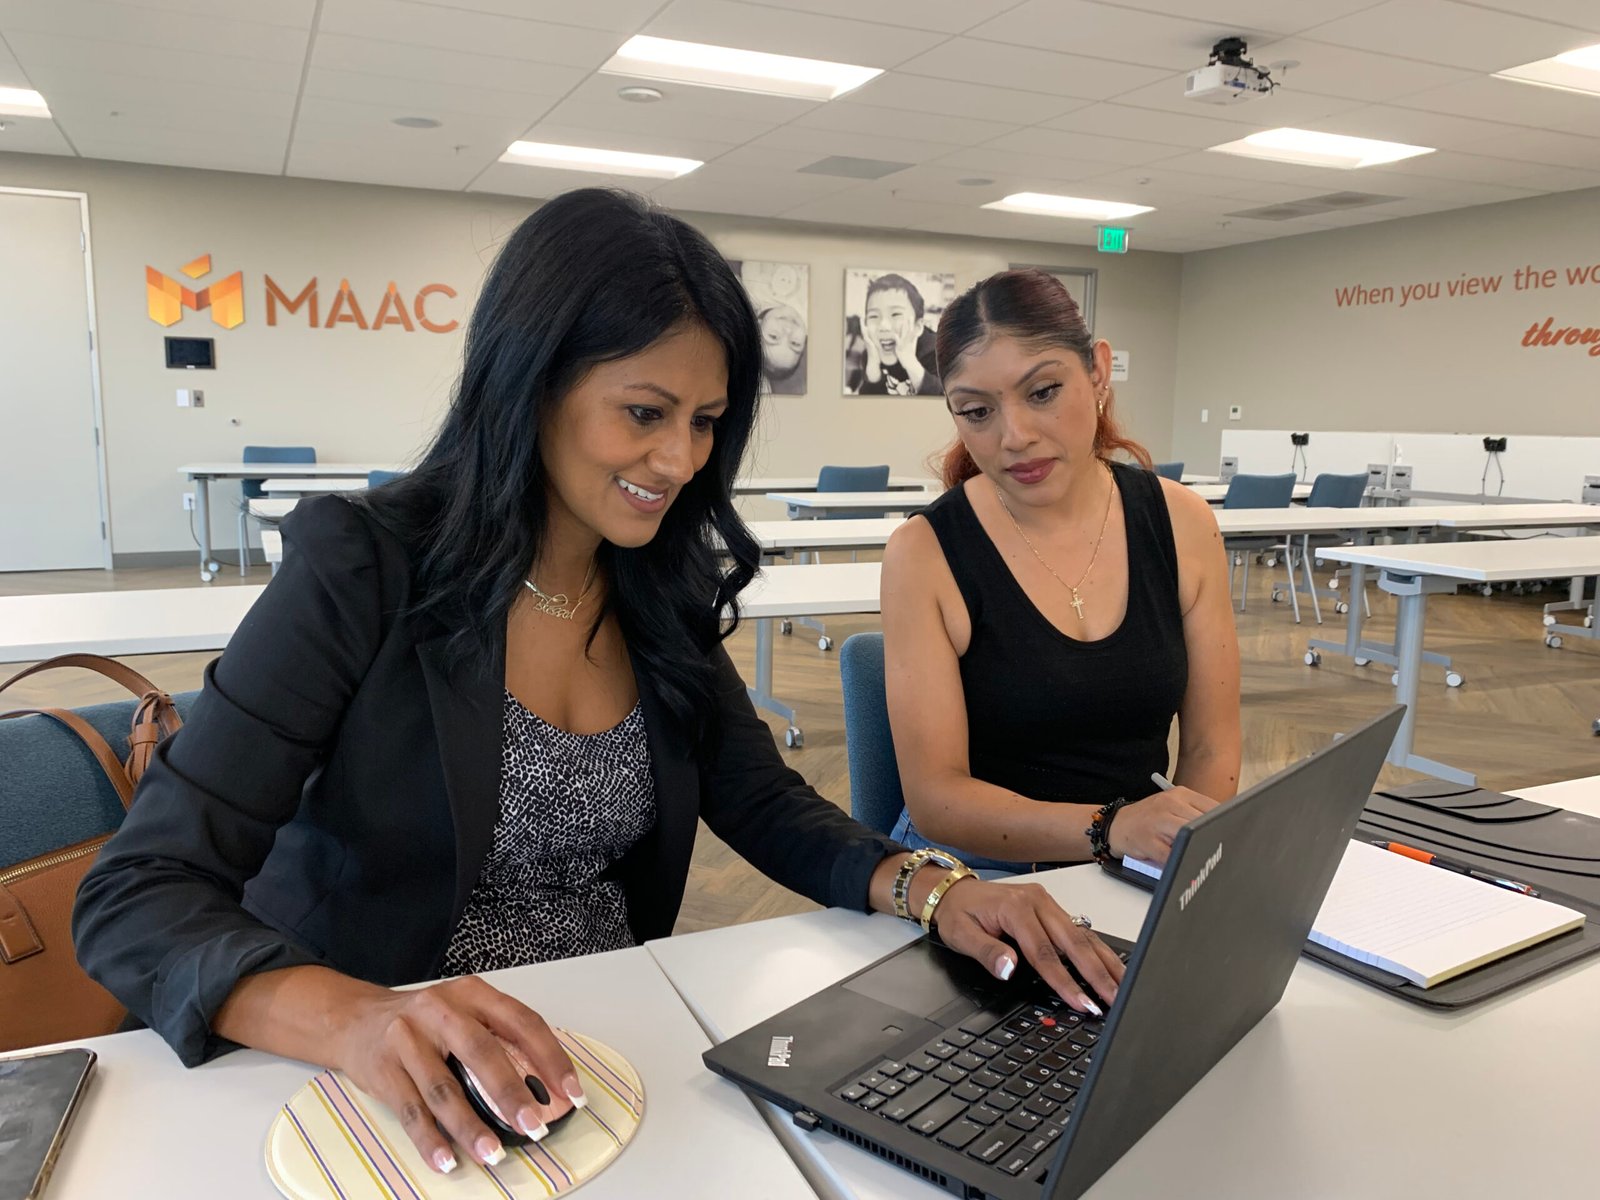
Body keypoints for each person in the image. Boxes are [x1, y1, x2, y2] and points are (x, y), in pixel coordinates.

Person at [73, 194, 1123, 1178]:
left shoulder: (651, 576)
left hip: (599, 1056)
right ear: (530, 384)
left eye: (706, 421)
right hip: (386, 1074)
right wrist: (358, 1018)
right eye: (643, 412)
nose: (677, 460)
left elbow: (760, 799)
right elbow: (137, 895)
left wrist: (933, 888)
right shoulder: (364, 568)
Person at [880, 268, 1241, 875]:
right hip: (974, 873)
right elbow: (938, 798)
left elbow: (1211, 746)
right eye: (976, 412)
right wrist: (1113, 828)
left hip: (1135, 860)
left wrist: (1179, 865)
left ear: (1097, 372)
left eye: (1042, 392)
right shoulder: (924, 553)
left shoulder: (1181, 523)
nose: (1014, 436)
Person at [854, 272, 943, 395]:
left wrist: (909, 361)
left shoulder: (937, 353)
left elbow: (947, 403)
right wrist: (873, 369)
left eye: (895, 314)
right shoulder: (871, 354)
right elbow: (868, 407)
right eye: (874, 316)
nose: (884, 326)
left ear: (917, 326)